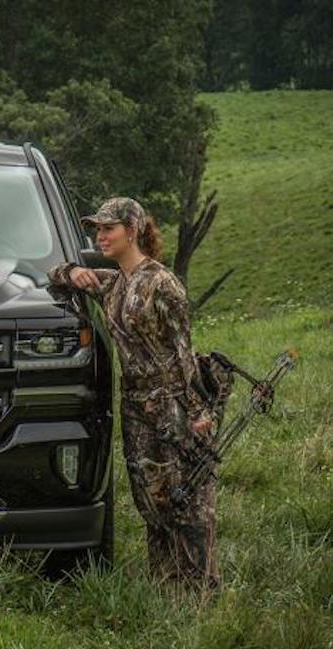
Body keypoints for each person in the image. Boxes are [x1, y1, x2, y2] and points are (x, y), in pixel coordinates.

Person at [47, 197, 219, 589]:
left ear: (133, 230)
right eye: (97, 228)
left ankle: (200, 594)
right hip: (136, 406)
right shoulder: (115, 283)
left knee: (186, 500)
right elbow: (54, 274)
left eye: (109, 228)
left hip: (173, 402)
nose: (100, 235)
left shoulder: (162, 282)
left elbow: (183, 352)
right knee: (151, 500)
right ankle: (165, 589)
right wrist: (73, 271)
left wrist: (197, 412)